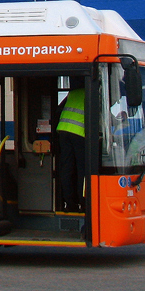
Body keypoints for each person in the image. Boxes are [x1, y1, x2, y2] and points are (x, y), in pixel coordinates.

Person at [56, 84, 87, 213]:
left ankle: (69, 203)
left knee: (67, 168)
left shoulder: (74, 92)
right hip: (79, 132)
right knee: (83, 169)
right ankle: (84, 203)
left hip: (62, 130)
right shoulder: (94, 90)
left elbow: (59, 109)